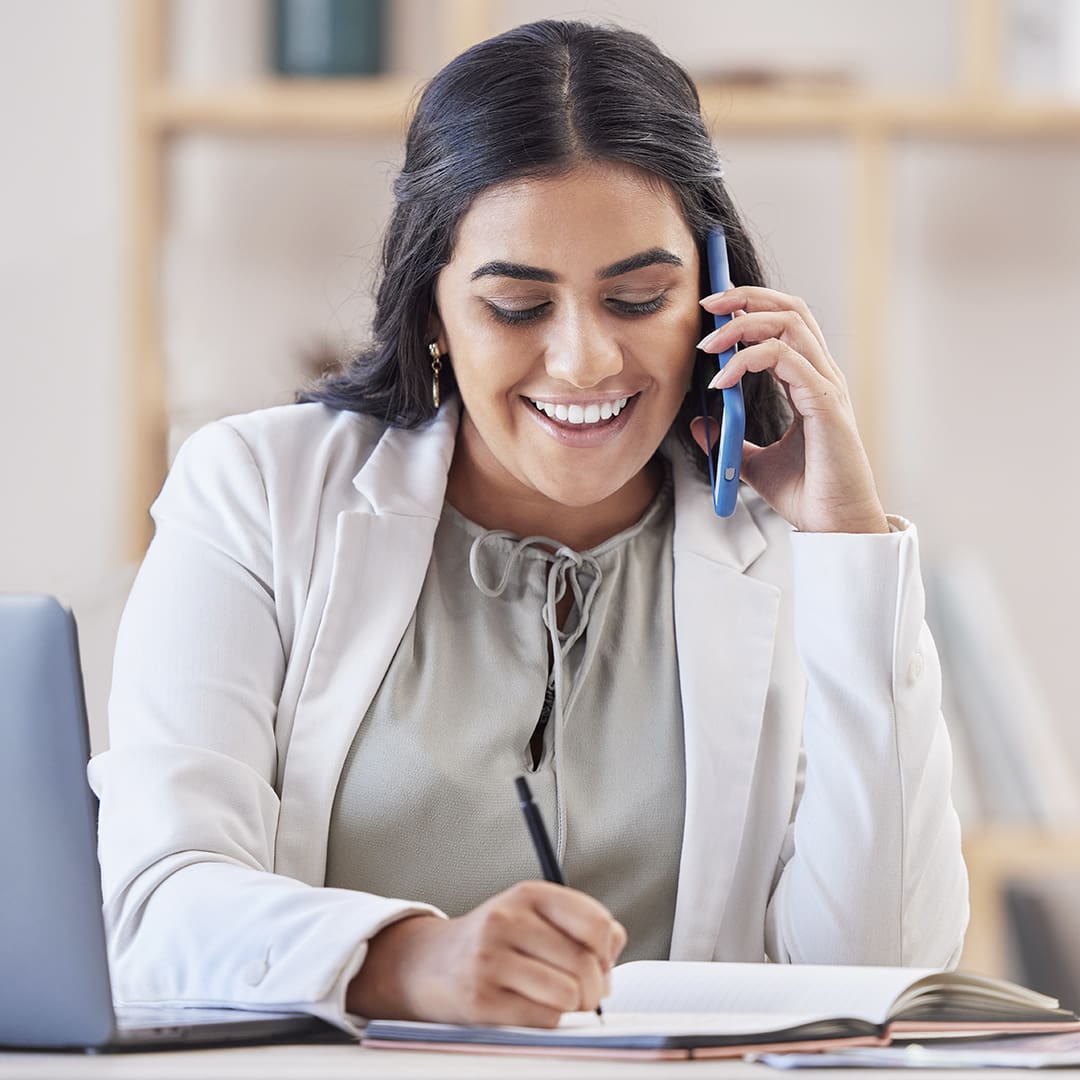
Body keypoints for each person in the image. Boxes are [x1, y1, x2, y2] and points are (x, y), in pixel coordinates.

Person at [89, 19, 968, 1034]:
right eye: (517, 306)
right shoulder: (257, 491)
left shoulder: (785, 546)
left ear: (717, 298)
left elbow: (882, 976)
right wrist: (405, 962)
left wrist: (851, 550)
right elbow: (148, 906)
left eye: (639, 298)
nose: (586, 361)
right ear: (431, 311)